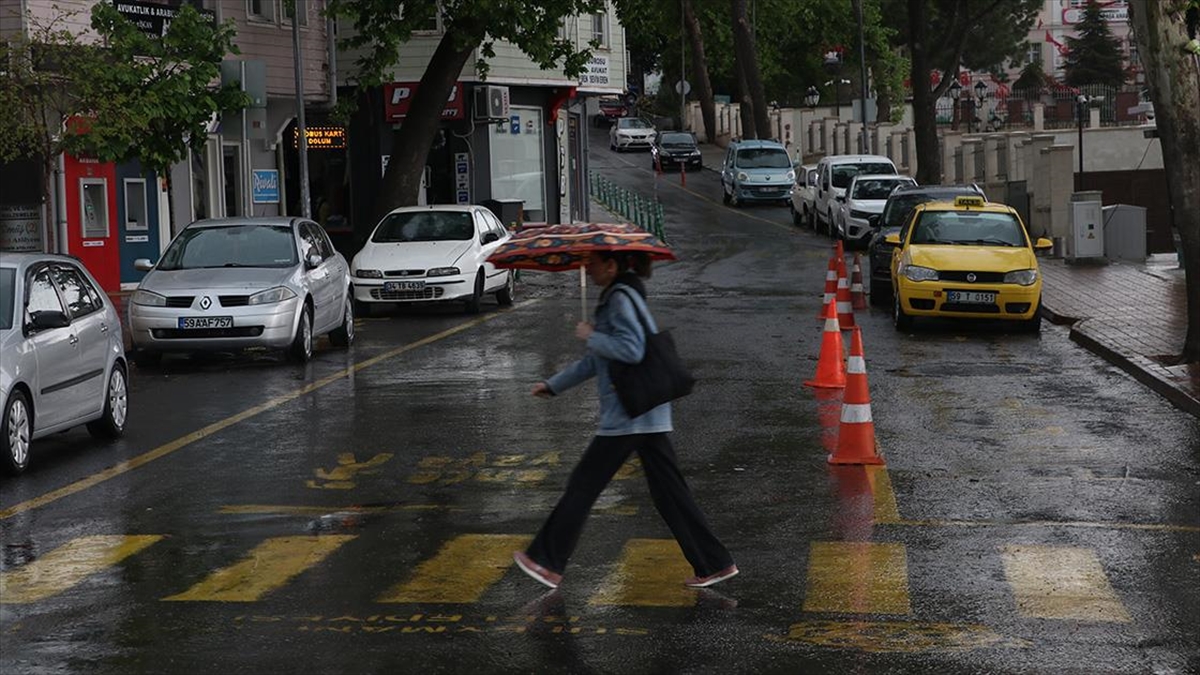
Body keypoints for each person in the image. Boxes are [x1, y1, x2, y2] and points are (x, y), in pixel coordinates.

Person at [513, 250, 737, 590]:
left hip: (628, 414)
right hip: (646, 414)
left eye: (592, 263)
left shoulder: (619, 298)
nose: (587, 268)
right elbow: (595, 361)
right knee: (670, 494)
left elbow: (632, 350)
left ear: (611, 265)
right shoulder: (619, 296)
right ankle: (714, 563)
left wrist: (592, 335)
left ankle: (546, 562)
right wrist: (554, 385)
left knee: (583, 485)